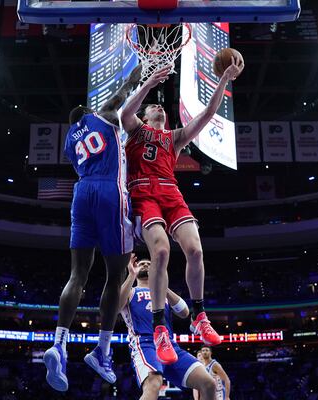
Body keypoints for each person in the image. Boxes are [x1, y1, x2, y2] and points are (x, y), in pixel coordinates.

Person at [121, 58, 244, 364]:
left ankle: (199, 315)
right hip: (143, 192)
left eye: (161, 109)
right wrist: (148, 84)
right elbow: (124, 113)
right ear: (146, 115)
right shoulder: (136, 131)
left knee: (196, 251)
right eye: (154, 108)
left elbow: (209, 114)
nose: (159, 110)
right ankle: (161, 326)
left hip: (170, 191)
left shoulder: (174, 138)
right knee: (161, 252)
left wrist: (224, 79)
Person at [43, 64, 142, 392]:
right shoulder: (103, 117)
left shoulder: (70, 142)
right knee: (115, 277)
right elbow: (121, 96)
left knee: (77, 275)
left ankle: (58, 343)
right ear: (87, 112)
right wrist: (134, 78)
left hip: (81, 192)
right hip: (109, 192)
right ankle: (101, 351)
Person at [119, 256, 217, 400]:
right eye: (141, 264)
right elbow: (115, 307)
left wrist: (162, 284)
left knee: (209, 383)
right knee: (154, 384)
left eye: (149, 264)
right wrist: (131, 275)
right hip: (145, 344)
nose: (145, 265)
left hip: (170, 345)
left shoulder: (162, 294)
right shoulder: (131, 291)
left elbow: (184, 312)